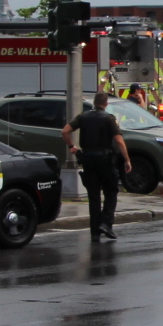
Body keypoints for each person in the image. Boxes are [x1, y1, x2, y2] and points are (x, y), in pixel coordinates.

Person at [64, 92, 130, 241]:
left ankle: (95, 232)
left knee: (93, 196)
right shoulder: (108, 118)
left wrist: (71, 147)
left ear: (94, 103)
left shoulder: (83, 117)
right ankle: (106, 224)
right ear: (106, 104)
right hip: (105, 161)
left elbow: (65, 131)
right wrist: (127, 159)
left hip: (88, 160)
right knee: (111, 191)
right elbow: (119, 140)